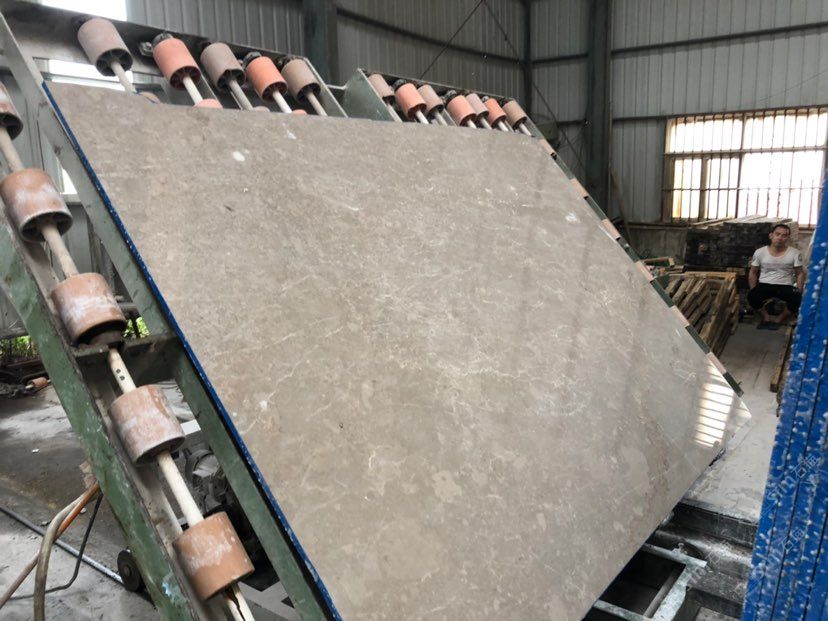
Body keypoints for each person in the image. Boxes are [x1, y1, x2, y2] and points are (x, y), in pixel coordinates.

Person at [747, 224, 804, 329]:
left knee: (798, 299)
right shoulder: (760, 252)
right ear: (771, 236)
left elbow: (799, 273)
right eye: (777, 234)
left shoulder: (795, 253)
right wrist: (753, 289)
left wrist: (799, 290)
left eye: (784, 235)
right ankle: (766, 317)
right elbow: (753, 272)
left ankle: (779, 319)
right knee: (751, 296)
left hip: (785, 285)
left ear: (788, 238)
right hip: (765, 284)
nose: (780, 238)